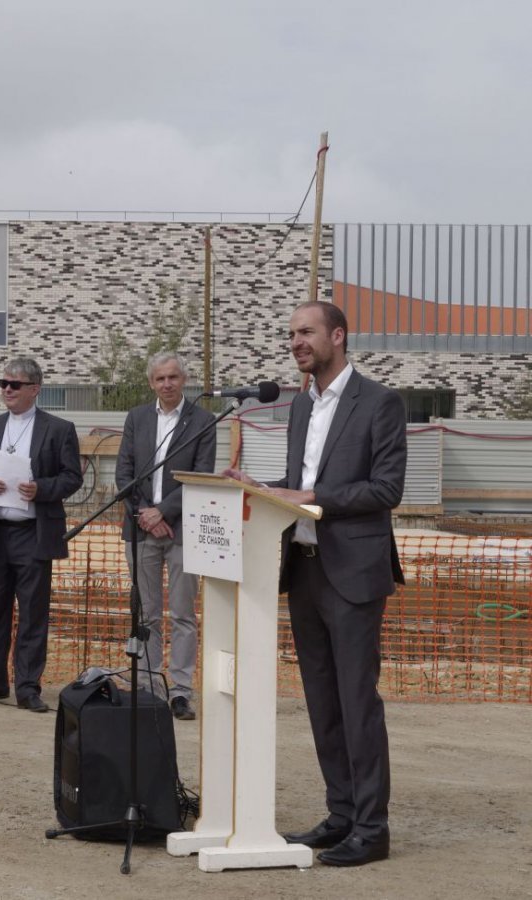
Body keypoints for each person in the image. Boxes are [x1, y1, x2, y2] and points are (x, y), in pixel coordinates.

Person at [224, 300, 406, 867]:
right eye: (292, 334)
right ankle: (342, 813)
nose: (297, 342)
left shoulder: (380, 403)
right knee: (322, 702)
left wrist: (313, 497)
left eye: (306, 332)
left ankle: (372, 829)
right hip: (302, 567)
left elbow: (385, 490)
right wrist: (261, 485)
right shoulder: (301, 406)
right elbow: (300, 484)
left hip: (353, 573)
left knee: (357, 703)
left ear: (338, 336)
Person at [0, 357, 83, 712]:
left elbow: (72, 477)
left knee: (33, 612)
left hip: (34, 532)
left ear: (35, 389)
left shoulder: (59, 429)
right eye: (3, 384)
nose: (7, 390)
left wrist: (41, 489)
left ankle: (28, 687)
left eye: (14, 384)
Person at [114, 352, 215, 721]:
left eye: (173, 377)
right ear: (151, 383)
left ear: (183, 380)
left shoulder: (203, 421)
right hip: (140, 530)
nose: (167, 384)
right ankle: (152, 687)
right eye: (160, 379)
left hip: (183, 531)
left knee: (184, 614)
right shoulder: (137, 418)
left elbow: (202, 475)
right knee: (148, 613)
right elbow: (123, 472)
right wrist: (146, 515)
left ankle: (181, 691)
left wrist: (165, 511)